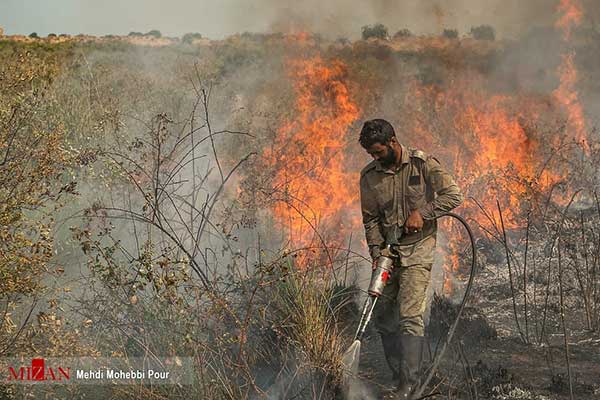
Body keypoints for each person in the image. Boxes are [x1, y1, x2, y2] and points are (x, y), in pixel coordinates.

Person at [358, 119, 463, 398]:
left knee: (410, 316)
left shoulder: (421, 164)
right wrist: (377, 252)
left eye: (378, 152)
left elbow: (454, 195)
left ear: (392, 142)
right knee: (383, 317)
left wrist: (424, 213)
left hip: (418, 249)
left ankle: (409, 385)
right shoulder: (369, 176)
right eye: (371, 155)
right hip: (388, 255)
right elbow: (370, 220)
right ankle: (397, 376)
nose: (375, 158)